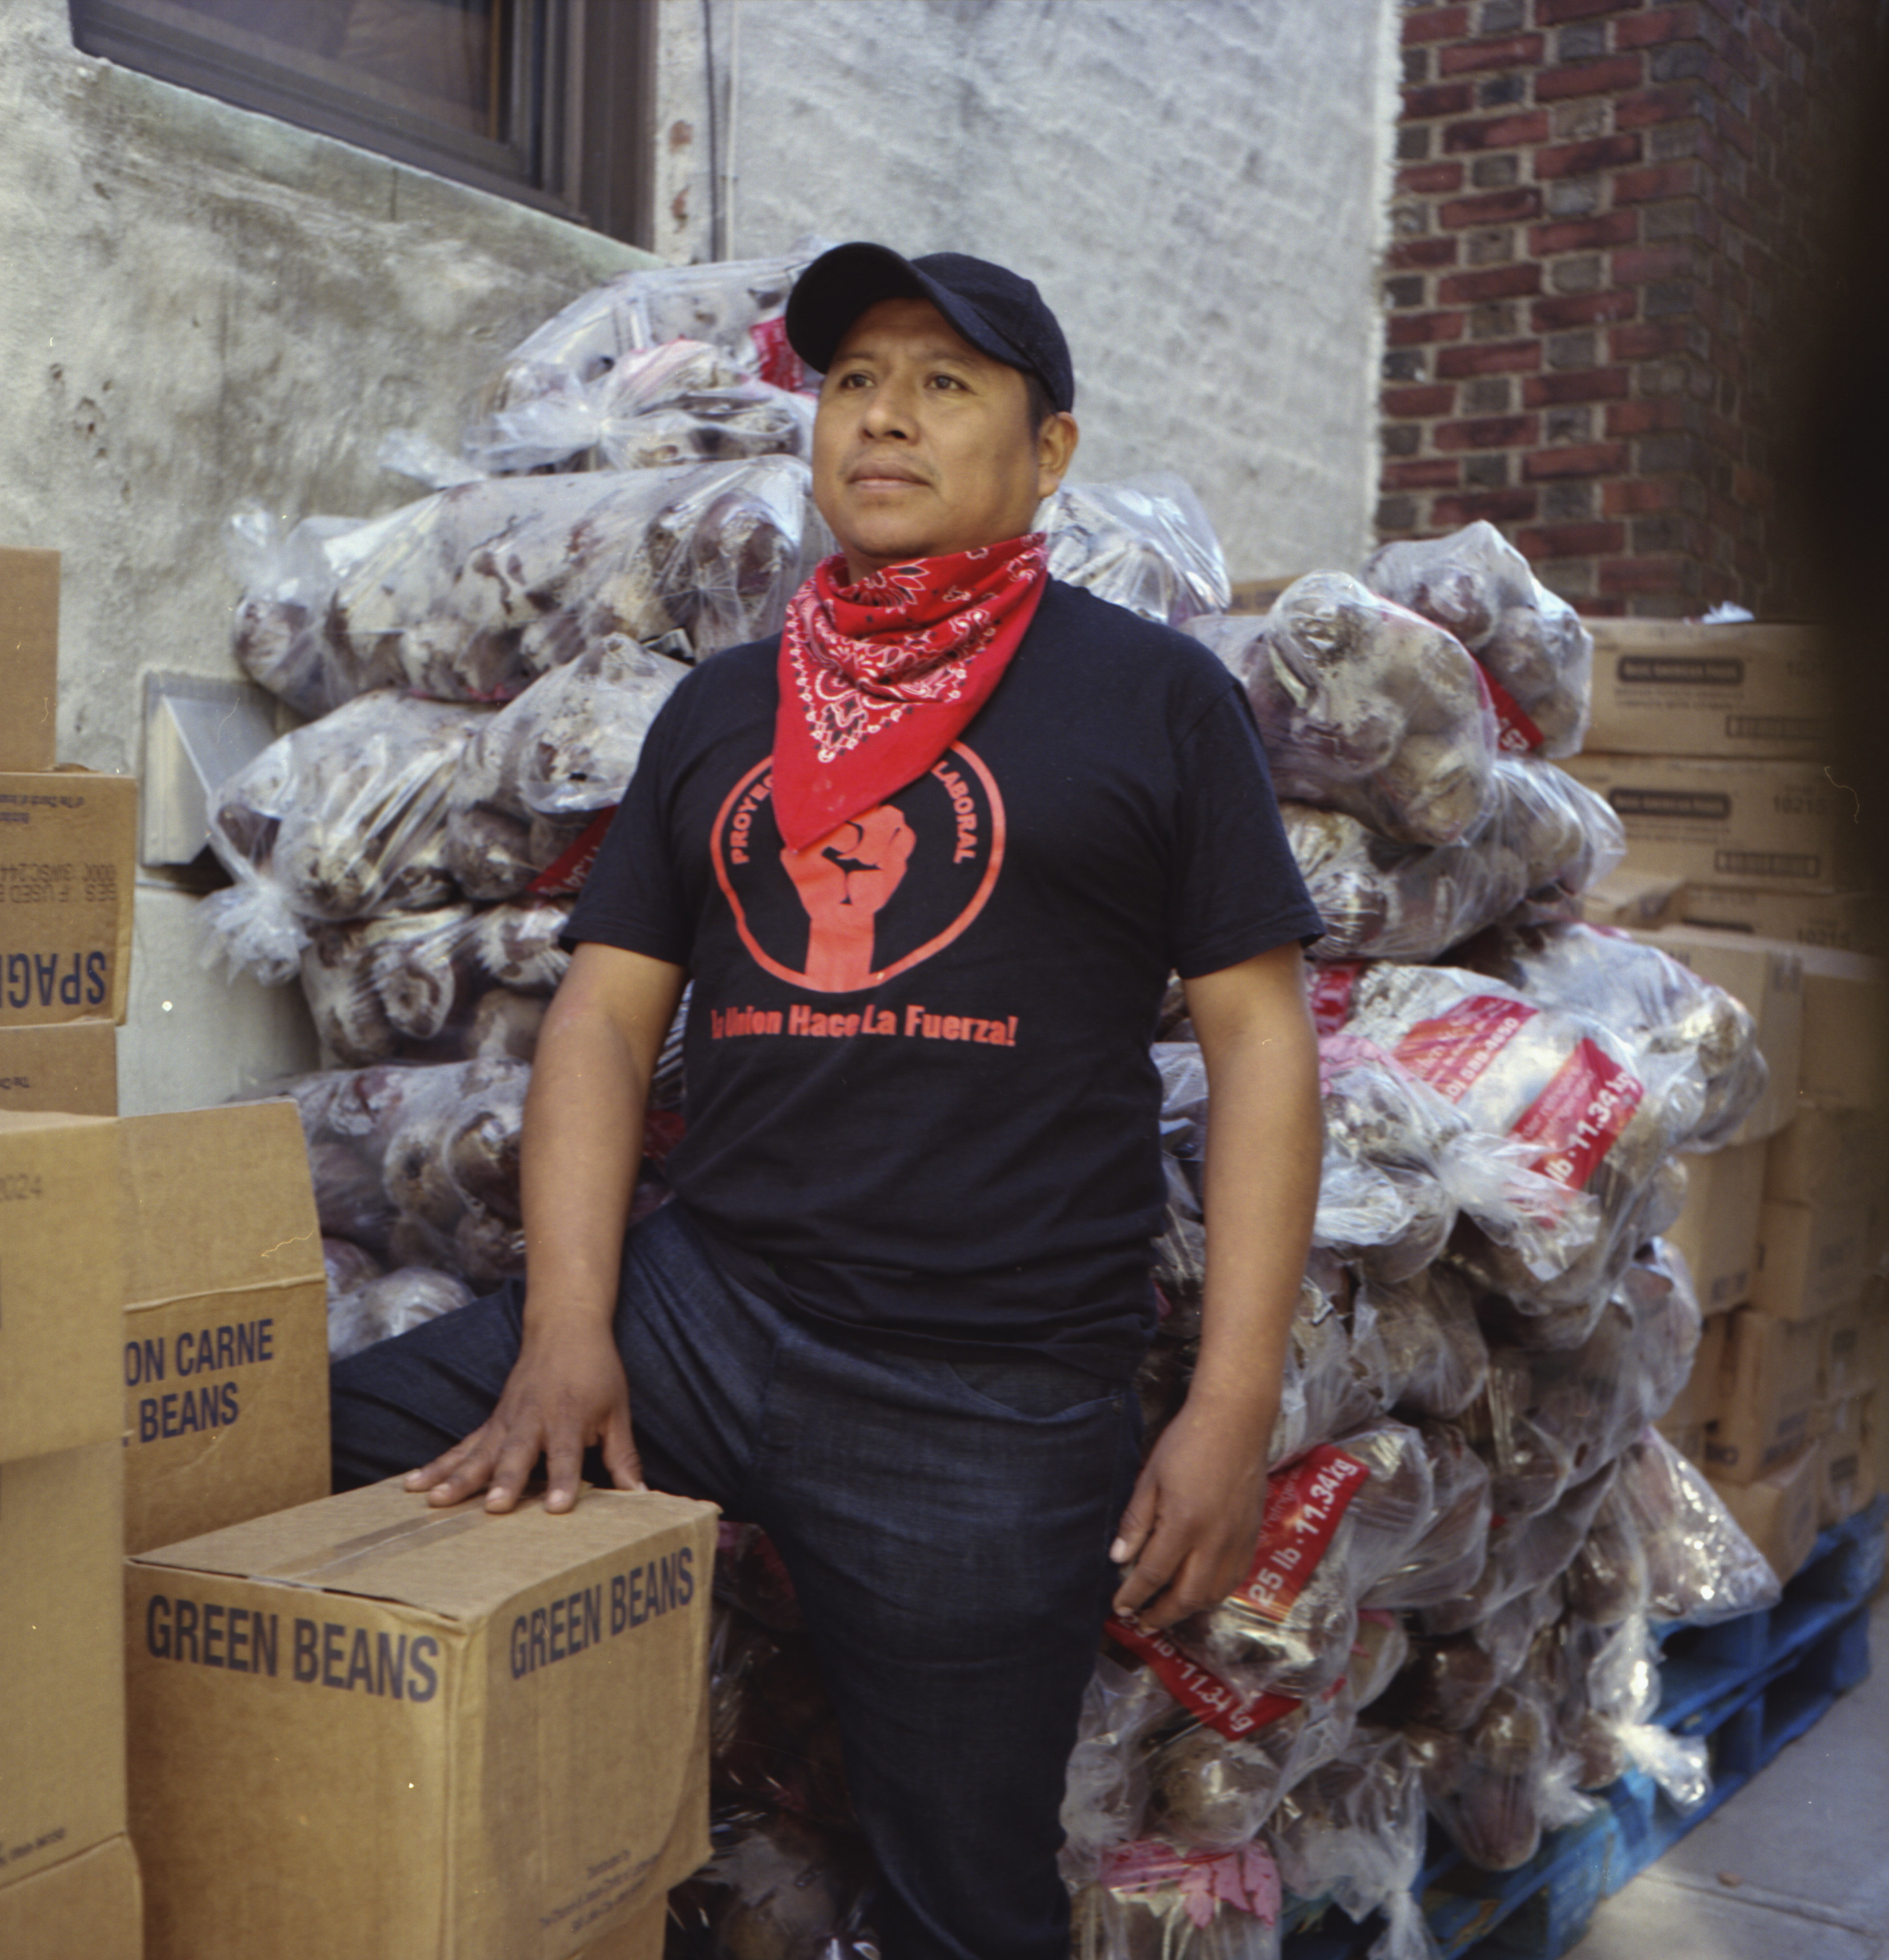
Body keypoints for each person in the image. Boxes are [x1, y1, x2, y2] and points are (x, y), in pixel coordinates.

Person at [331, 242, 1325, 1960]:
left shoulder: (1151, 699)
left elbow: (1260, 1049)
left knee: (965, 1900)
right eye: (856, 379)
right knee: (309, 1452)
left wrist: (1231, 1407)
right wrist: (574, 1325)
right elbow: (602, 1022)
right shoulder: (729, 707)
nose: (884, 416)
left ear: (1049, 455)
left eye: (946, 384)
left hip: (985, 1390)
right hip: (707, 1309)